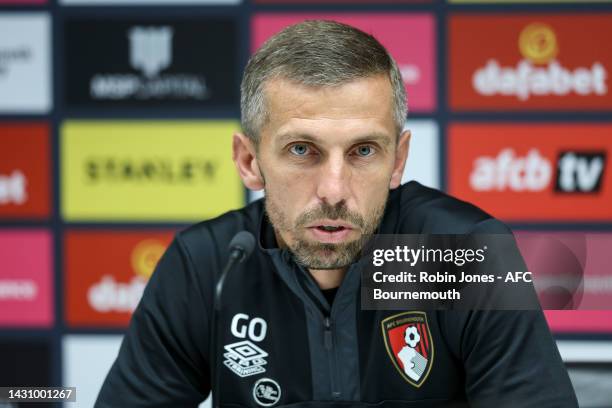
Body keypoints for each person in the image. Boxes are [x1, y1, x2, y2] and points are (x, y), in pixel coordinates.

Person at [95, 20, 577, 407]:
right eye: (302, 149)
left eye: (364, 151)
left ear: (398, 160)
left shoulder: (466, 256)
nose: (333, 191)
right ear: (249, 161)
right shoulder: (206, 265)